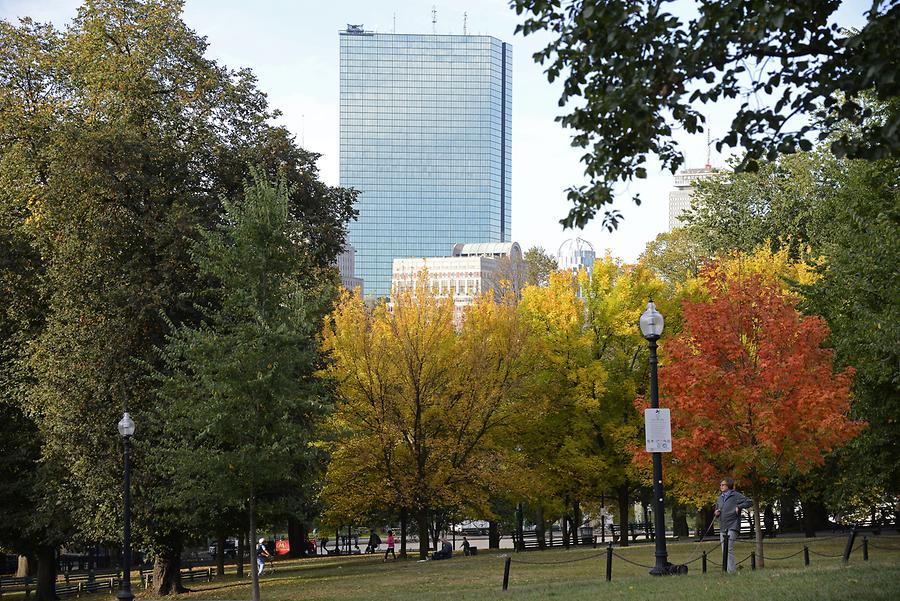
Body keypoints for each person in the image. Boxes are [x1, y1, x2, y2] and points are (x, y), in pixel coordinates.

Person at [715, 476, 753, 572]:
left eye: (723, 485)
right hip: (723, 526)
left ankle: (731, 571)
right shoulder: (719, 498)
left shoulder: (736, 495)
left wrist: (739, 507)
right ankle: (727, 571)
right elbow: (717, 510)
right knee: (724, 549)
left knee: (729, 548)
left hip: (733, 525)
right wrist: (716, 513)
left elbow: (749, 502)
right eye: (720, 485)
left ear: (729, 485)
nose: (721, 486)